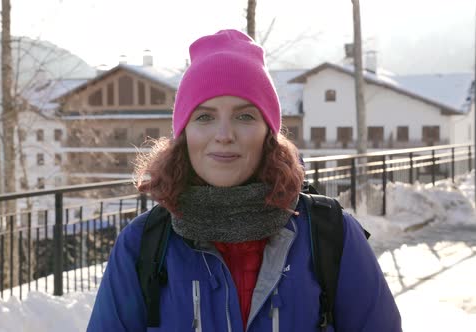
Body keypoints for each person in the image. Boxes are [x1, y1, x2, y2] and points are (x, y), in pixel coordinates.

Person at [87, 29, 401, 331]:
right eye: (205, 117)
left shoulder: (331, 233)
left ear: (269, 133)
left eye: (245, 116)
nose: (224, 135)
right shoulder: (142, 244)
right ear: (184, 134)